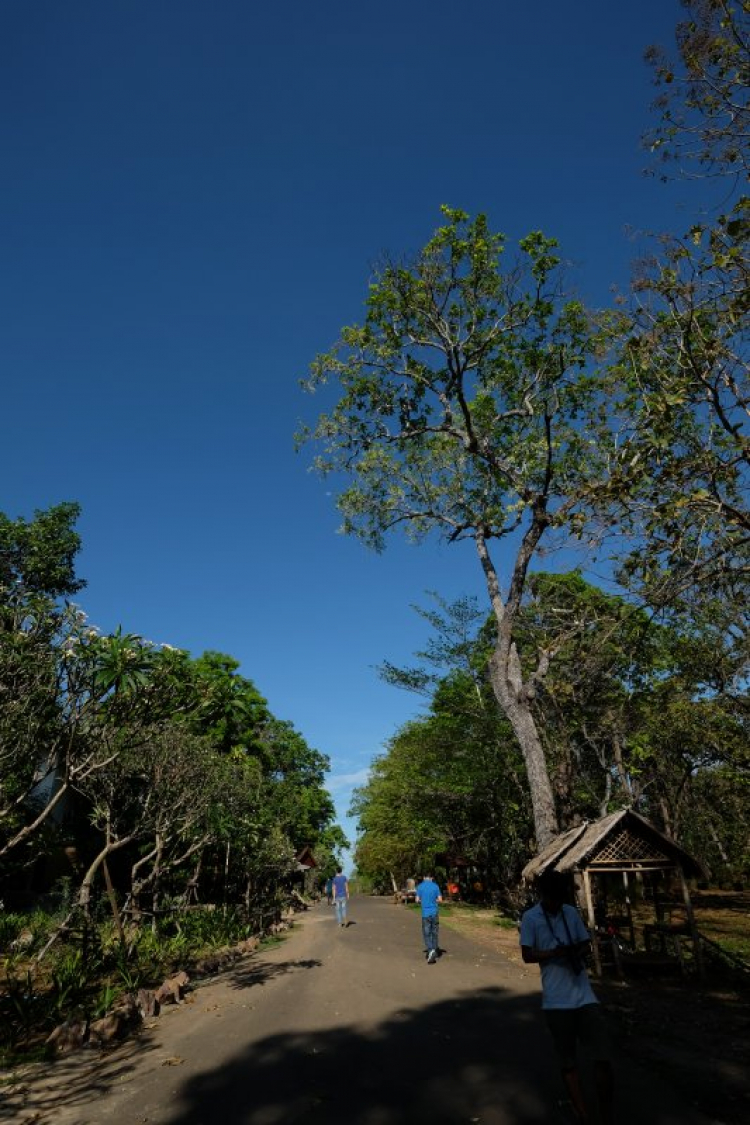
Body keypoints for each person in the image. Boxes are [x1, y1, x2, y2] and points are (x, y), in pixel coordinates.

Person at [520, 869, 613, 1125]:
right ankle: (581, 1110)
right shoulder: (531, 918)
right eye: (553, 898)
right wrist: (553, 954)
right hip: (556, 1001)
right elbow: (527, 955)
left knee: (602, 1057)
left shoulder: (569, 913)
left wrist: (575, 951)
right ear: (543, 895)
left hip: (585, 997)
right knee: (568, 1060)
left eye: (560, 898)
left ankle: (605, 1113)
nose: (556, 903)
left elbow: (585, 943)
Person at [415, 873, 443, 964]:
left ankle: (430, 950)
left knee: (426, 932)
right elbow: (440, 899)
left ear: (424, 877)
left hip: (425, 914)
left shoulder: (420, 886)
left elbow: (417, 900)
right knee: (434, 932)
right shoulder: (435, 886)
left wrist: (422, 900)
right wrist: (434, 900)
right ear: (432, 878)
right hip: (434, 913)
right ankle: (434, 949)